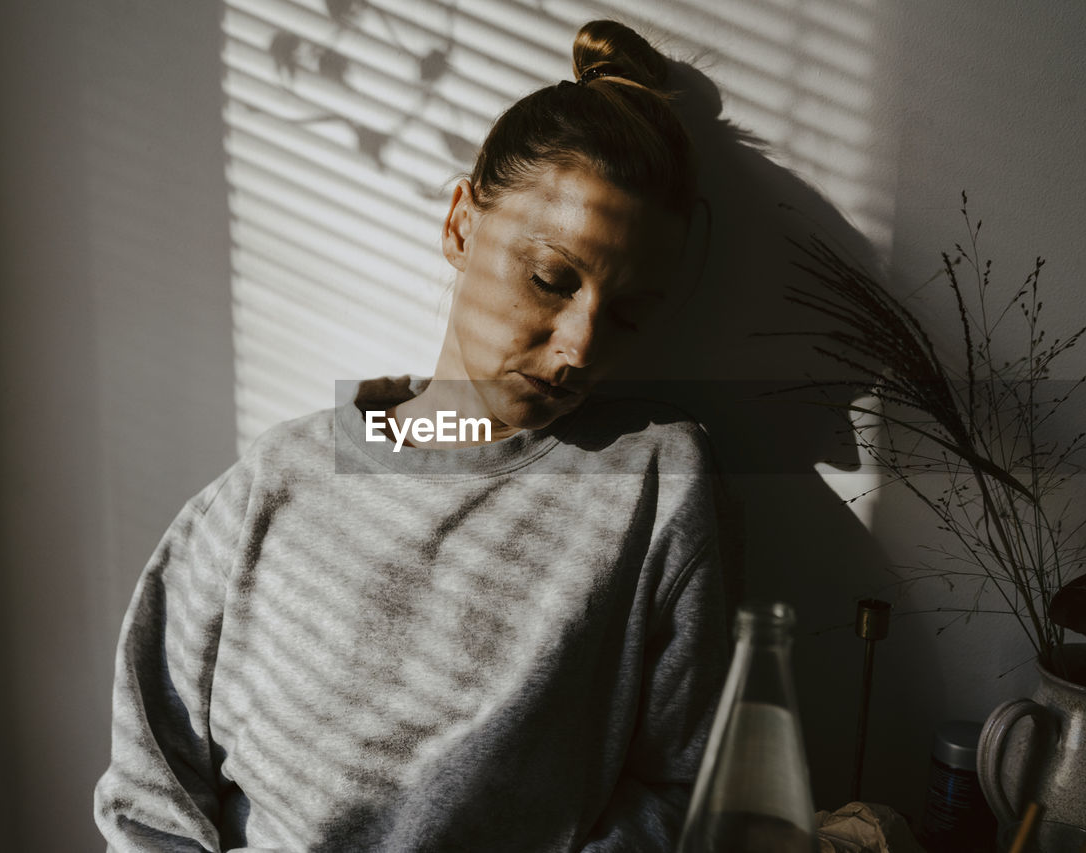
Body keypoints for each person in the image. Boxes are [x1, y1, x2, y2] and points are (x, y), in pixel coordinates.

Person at [95, 19, 729, 852]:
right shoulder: (276, 480)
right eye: (550, 279)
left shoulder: (655, 483)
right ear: (462, 225)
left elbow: (687, 791)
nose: (580, 349)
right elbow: (151, 791)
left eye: (629, 314)